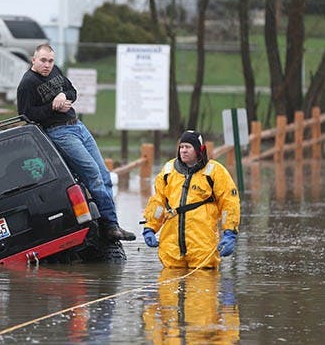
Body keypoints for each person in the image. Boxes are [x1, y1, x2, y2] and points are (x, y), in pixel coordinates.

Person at [17, 43, 135, 241]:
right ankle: (109, 226)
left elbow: (72, 91)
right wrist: (53, 107)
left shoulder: (55, 71)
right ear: (34, 60)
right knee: (93, 175)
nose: (47, 65)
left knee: (105, 175)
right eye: (43, 60)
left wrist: (63, 95)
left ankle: (112, 223)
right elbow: (26, 115)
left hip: (78, 126)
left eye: (50, 61)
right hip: (59, 132)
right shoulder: (27, 84)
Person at [141, 130, 240, 268]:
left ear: (199, 150)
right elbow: (158, 202)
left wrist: (229, 232)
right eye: (181, 147)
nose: (183, 151)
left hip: (202, 245)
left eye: (188, 147)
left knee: (203, 279)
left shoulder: (214, 172)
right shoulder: (169, 171)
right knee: (170, 283)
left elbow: (229, 202)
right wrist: (150, 227)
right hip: (171, 247)